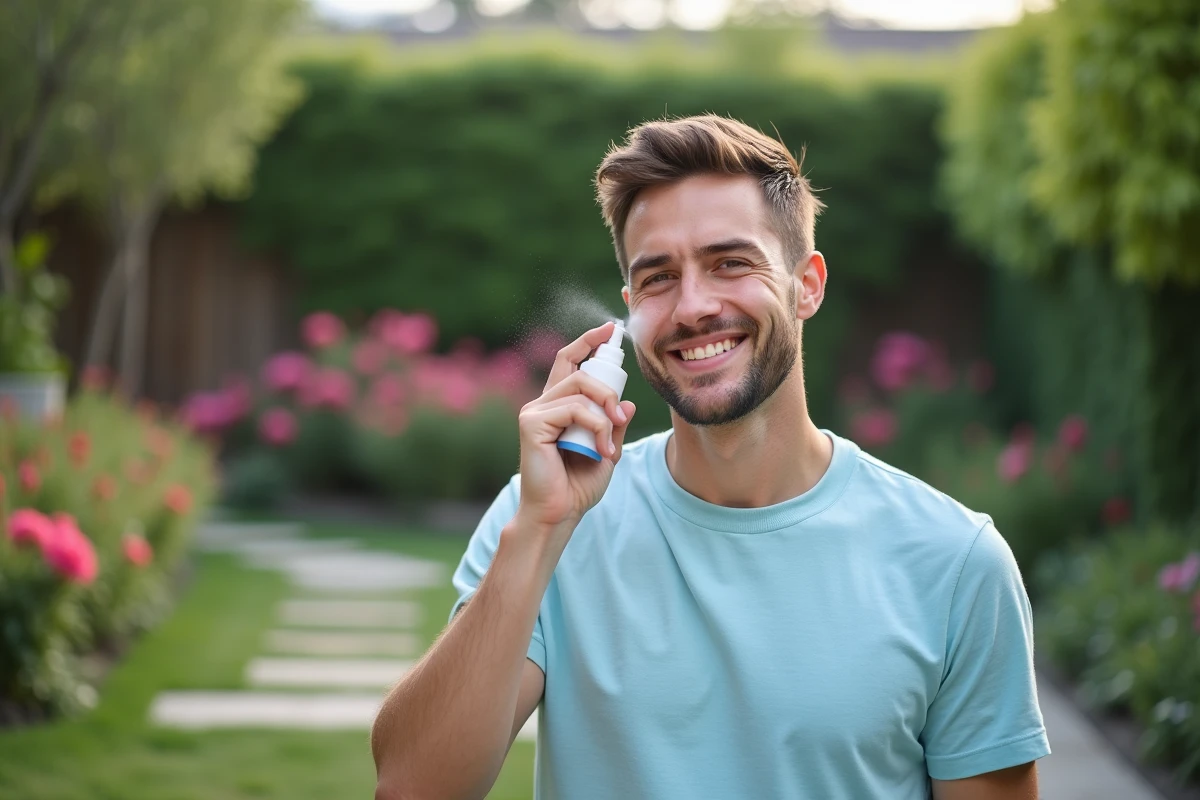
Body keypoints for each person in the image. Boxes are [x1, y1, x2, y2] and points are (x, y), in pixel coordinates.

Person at [370, 115, 1050, 800]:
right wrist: (540, 532)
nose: (693, 307)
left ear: (806, 284)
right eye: (659, 278)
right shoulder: (544, 522)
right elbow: (411, 789)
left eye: (731, 262)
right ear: (632, 311)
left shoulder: (955, 562)